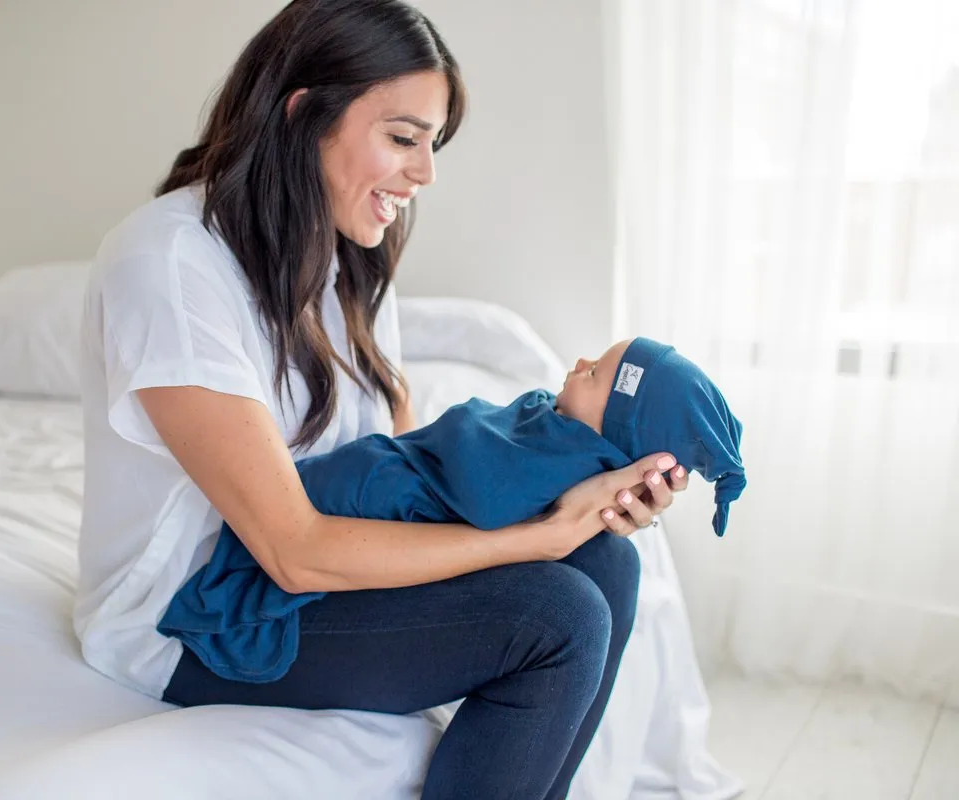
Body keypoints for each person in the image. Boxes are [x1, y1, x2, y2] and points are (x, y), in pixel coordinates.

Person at [75, 1, 691, 797]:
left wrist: (566, 494)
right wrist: (532, 543)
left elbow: (404, 472)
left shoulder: (345, 262)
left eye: (432, 145)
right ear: (303, 114)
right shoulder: (166, 263)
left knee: (606, 559)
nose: (426, 172)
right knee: (555, 614)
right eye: (403, 138)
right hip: (198, 616)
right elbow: (293, 551)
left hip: (311, 575)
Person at [159, 336, 746, 684]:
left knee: (612, 562)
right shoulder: (560, 433)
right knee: (568, 605)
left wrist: (574, 516)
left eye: (593, 374)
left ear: (613, 433)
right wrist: (546, 533)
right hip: (317, 520)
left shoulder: (563, 455)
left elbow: (482, 487)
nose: (576, 364)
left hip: (378, 489)